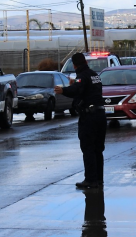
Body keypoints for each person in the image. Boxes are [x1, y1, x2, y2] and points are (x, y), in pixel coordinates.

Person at [54, 53, 107, 189]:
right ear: (85, 62)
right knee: (98, 150)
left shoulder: (82, 76)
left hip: (89, 117)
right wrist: (75, 85)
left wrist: (62, 90)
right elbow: (86, 89)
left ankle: (90, 180)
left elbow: (76, 89)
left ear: (74, 65)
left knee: (88, 148)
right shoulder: (94, 75)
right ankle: (98, 179)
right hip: (101, 115)